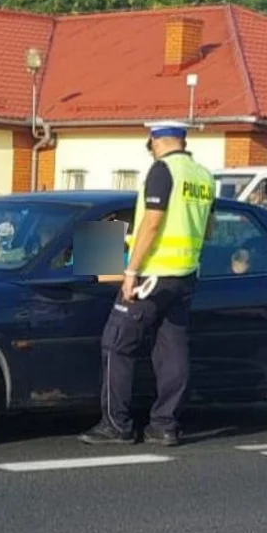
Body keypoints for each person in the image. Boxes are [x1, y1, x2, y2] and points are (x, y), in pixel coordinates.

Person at [79, 120, 215, 447]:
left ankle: (116, 425)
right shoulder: (203, 176)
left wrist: (130, 271)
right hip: (186, 274)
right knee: (172, 351)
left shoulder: (162, 170)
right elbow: (208, 229)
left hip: (153, 273)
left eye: (150, 141)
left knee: (116, 342)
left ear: (156, 140)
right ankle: (164, 426)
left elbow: (152, 223)